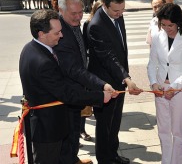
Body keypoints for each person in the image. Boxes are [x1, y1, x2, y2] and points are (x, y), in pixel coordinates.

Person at [19, 9, 113, 164]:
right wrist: (100, 96)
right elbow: (67, 94)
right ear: (42, 34)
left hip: (44, 123)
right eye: (57, 33)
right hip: (48, 128)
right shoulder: (43, 62)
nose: (61, 36)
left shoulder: (30, 48)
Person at [54, 0, 116, 164]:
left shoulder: (73, 25)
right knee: (68, 140)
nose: (79, 16)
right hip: (67, 94)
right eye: (74, 13)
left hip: (77, 91)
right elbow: (73, 69)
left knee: (74, 137)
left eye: (81, 11)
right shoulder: (59, 31)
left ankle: (73, 158)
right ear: (61, 10)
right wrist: (101, 85)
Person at [86, 0, 142, 164]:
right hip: (105, 83)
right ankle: (104, 158)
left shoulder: (118, 15)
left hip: (119, 79)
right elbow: (107, 57)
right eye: (116, 11)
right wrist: (126, 78)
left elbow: (121, 48)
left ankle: (113, 155)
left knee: (115, 121)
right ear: (104, 5)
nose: (120, 14)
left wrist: (124, 76)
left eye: (122, 10)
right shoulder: (96, 25)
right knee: (104, 124)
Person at [147, 3, 182, 164]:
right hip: (160, 89)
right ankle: (166, 161)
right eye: (163, 24)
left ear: (178, 23)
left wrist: (174, 87)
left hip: (179, 90)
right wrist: (154, 83)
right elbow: (151, 63)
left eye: (171, 25)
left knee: (178, 131)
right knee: (163, 130)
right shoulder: (157, 37)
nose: (167, 28)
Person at [80, 0, 103, 142]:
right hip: (90, 64)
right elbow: (85, 44)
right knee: (85, 102)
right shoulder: (88, 24)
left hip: (101, 67)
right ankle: (81, 129)